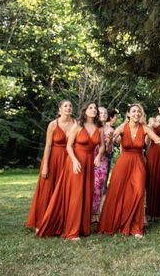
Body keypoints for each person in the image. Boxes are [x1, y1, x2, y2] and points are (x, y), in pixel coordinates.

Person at [98, 103, 160, 237]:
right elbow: (111, 141)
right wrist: (108, 140)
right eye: (134, 111)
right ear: (129, 114)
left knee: (138, 191)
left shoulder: (145, 128)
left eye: (138, 112)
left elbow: (155, 138)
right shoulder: (122, 127)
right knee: (117, 191)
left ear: (141, 115)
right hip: (123, 163)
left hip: (138, 162)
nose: (136, 113)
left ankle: (136, 226)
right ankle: (115, 222)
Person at [37, 102, 105, 240]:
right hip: (76, 162)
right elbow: (68, 146)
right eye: (90, 108)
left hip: (89, 164)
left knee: (86, 194)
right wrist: (74, 160)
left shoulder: (100, 128)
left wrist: (98, 156)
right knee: (76, 195)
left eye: (95, 108)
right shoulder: (78, 125)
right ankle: (71, 230)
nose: (93, 110)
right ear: (85, 111)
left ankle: (82, 227)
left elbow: (102, 146)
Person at [26, 99, 75, 231]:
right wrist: (45, 165)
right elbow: (48, 146)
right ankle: (41, 221)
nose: (68, 108)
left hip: (69, 159)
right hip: (54, 159)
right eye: (65, 106)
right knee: (48, 189)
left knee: (65, 190)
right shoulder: (53, 124)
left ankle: (62, 221)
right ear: (59, 110)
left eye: (70, 106)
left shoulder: (76, 123)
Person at [91, 106, 114, 223]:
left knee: (98, 187)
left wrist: (109, 141)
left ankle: (95, 214)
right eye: (101, 112)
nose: (103, 114)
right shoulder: (91, 127)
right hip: (89, 158)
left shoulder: (110, 130)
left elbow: (109, 151)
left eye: (105, 113)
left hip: (102, 161)